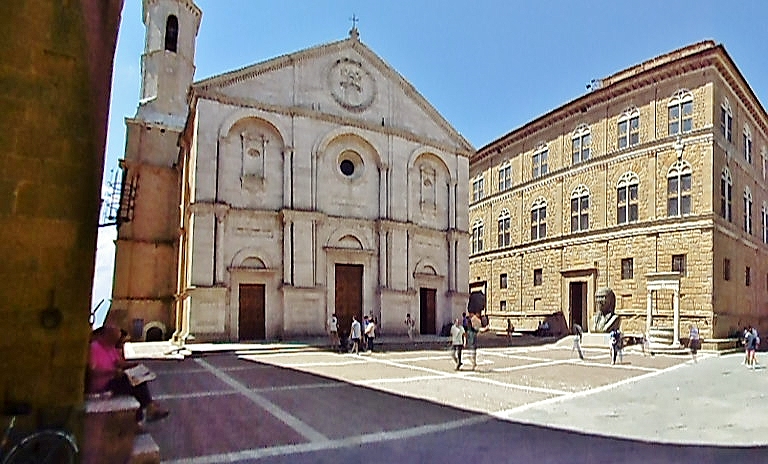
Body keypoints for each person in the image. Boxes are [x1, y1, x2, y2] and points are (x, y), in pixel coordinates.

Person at [88, 325, 169, 424]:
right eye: (114, 339)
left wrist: (132, 365)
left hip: (113, 379)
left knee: (138, 382)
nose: (115, 343)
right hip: (103, 384)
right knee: (134, 384)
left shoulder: (109, 347)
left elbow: (118, 362)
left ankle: (148, 409)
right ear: (107, 336)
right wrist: (112, 372)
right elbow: (92, 371)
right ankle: (149, 409)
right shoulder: (94, 348)